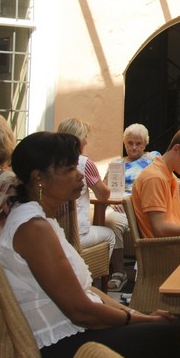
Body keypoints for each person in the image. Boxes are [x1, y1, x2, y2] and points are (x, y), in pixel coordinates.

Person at [0, 131, 180, 358]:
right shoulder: (33, 228)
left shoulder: (41, 220)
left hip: (78, 334)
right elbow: (81, 311)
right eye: (69, 169)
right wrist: (143, 319)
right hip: (62, 347)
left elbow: (87, 292)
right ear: (38, 178)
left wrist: (137, 313)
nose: (80, 175)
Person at [57, 118, 129, 292]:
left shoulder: (49, 162)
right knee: (110, 235)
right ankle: (93, 283)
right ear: (78, 140)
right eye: (85, 138)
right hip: (76, 234)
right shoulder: (83, 163)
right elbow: (103, 195)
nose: (87, 141)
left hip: (53, 232)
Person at [130, 128, 180, 238]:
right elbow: (159, 229)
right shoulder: (154, 178)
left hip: (177, 245)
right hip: (166, 250)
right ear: (176, 149)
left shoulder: (168, 174)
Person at [121, 123, 180, 209]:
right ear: (124, 143)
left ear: (145, 144)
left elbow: (171, 178)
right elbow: (108, 190)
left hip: (147, 204)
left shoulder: (153, 158)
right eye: (130, 143)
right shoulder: (117, 164)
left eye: (138, 143)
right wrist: (116, 202)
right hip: (120, 205)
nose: (133, 147)